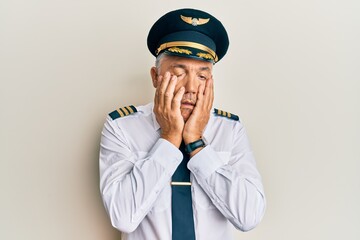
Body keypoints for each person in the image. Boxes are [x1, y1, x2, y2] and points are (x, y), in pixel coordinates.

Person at [99, 8, 266, 240]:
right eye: (178, 73)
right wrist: (169, 138)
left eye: (202, 76)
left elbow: (249, 217)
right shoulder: (121, 127)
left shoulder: (231, 129)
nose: (191, 88)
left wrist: (197, 144)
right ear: (155, 77)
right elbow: (123, 217)